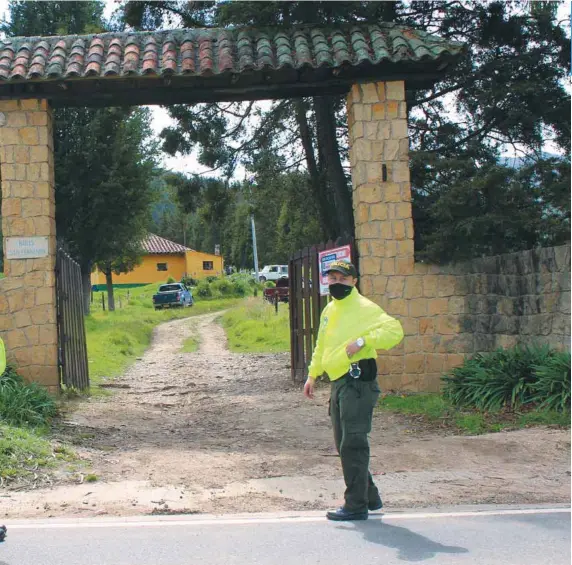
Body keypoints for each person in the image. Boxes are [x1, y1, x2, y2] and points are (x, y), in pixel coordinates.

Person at [303, 260, 404, 521]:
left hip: (358, 383)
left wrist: (363, 341)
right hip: (339, 382)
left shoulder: (364, 307)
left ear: (354, 281)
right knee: (343, 443)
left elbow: (395, 330)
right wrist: (312, 375)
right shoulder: (329, 310)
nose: (336, 283)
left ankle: (356, 505)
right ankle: (369, 496)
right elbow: (321, 345)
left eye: (342, 279)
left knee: (353, 443)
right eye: (332, 279)